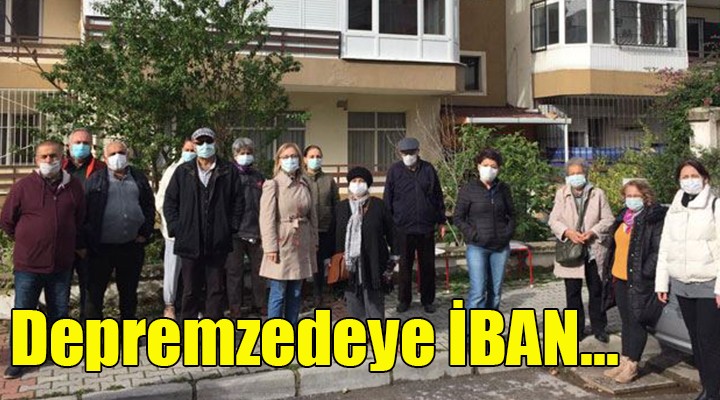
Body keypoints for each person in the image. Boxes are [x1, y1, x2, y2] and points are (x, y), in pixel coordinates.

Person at [1, 140, 86, 379]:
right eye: (44, 156)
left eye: (54, 156)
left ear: (63, 158)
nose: (49, 160)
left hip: (61, 263)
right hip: (28, 264)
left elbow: (80, 219)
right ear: (37, 160)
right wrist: (28, 239)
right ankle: (20, 359)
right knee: (25, 312)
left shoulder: (74, 187)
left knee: (59, 311)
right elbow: (7, 221)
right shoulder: (23, 187)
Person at [656, 159, 720, 400]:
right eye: (685, 176)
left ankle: (713, 392)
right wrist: (662, 283)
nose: (689, 180)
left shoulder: (715, 205)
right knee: (696, 340)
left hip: (708, 285)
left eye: (694, 175)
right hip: (682, 285)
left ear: (705, 178)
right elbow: (665, 247)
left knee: (709, 341)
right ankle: (707, 386)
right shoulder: (675, 210)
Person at [164, 128, 244, 321]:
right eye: (200, 142)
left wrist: (230, 227)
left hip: (217, 241)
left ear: (215, 143)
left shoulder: (228, 170)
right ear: (194, 145)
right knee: (190, 290)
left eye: (208, 141)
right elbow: (170, 202)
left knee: (216, 289)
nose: (205, 146)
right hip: (189, 241)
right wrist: (177, 228)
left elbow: (238, 202)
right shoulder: (183, 171)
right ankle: (188, 332)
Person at [601, 180, 666, 384]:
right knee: (626, 321)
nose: (631, 199)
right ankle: (624, 360)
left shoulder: (653, 219)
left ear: (645, 197)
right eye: (628, 196)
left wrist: (645, 272)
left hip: (638, 279)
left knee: (637, 321)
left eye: (635, 195)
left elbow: (658, 250)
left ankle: (632, 365)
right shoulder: (624, 217)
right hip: (619, 277)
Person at [84, 140, 155, 320]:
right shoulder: (96, 179)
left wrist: (145, 232)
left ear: (127, 155)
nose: (118, 157)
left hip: (130, 246)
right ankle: (94, 333)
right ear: (105, 158)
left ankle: (128, 331)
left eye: (121, 153)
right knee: (95, 295)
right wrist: (88, 239)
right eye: (113, 154)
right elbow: (86, 212)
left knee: (129, 293)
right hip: (101, 249)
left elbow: (148, 206)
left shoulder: (138, 178)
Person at [548, 158, 613, 342]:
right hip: (572, 250)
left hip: (593, 250)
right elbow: (553, 220)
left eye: (579, 173)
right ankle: (575, 330)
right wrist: (568, 232)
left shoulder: (597, 194)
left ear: (586, 174)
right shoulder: (562, 194)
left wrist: (593, 232)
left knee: (596, 290)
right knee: (572, 293)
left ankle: (599, 328)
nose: (576, 176)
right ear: (567, 176)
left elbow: (608, 219)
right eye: (572, 174)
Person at [383, 137, 446, 314]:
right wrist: (388, 226)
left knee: (427, 266)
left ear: (418, 152)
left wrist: (441, 221)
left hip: (426, 227)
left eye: (411, 152)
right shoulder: (394, 171)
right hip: (403, 228)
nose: (408, 156)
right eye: (405, 153)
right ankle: (404, 300)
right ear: (400, 153)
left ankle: (428, 300)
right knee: (404, 267)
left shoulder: (428, 169)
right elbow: (388, 199)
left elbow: (437, 196)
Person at [259, 142, 317, 325]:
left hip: (302, 241)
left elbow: (312, 215)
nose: (290, 160)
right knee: (278, 291)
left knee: (296, 291)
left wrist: (314, 240)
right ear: (278, 160)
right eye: (286, 157)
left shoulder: (305, 183)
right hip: (282, 241)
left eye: (293, 156)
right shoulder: (273, 184)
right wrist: (270, 247)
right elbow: (266, 218)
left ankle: (290, 327)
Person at [453, 149, 515, 311]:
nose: (489, 169)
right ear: (478, 166)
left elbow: (512, 215)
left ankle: (491, 324)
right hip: (477, 247)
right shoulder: (468, 189)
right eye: (486, 165)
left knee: (495, 292)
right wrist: (473, 235)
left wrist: (507, 234)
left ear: (499, 169)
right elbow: (458, 217)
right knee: (478, 292)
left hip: (500, 248)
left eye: (493, 166)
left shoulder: (503, 189)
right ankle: (473, 326)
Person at [336, 167, 394, 321]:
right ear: (349, 184)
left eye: (361, 181)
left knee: (374, 302)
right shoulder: (341, 207)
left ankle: (376, 331)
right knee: (353, 301)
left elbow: (391, 230)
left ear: (367, 184)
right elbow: (334, 235)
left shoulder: (378, 205)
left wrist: (395, 254)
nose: (357, 184)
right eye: (354, 181)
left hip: (373, 261)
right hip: (349, 265)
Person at [62, 127, 106, 321]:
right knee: (60, 292)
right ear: (68, 146)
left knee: (91, 294)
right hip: (64, 240)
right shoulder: (59, 168)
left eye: (86, 143)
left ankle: (90, 332)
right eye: (77, 142)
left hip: (91, 242)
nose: (81, 146)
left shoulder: (101, 169)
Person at [225, 137, 266, 319]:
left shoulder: (258, 177)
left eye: (249, 153)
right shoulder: (228, 175)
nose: (246, 156)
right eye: (242, 153)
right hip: (235, 232)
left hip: (256, 230)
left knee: (260, 271)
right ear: (235, 155)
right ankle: (235, 308)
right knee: (234, 272)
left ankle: (260, 304)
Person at [156, 138, 196, 320]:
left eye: (193, 150)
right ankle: (169, 305)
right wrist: (172, 225)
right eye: (187, 149)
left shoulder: (203, 171)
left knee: (193, 272)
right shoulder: (172, 171)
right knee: (172, 271)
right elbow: (162, 201)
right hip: (175, 232)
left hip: (195, 232)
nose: (190, 153)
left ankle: (191, 306)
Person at [304, 145, 339, 307]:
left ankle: (319, 294)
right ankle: (302, 293)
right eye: (311, 156)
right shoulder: (301, 179)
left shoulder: (328, 180)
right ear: (305, 159)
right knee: (303, 261)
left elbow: (335, 203)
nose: (315, 159)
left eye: (318, 156)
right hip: (305, 228)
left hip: (324, 227)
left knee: (320, 262)